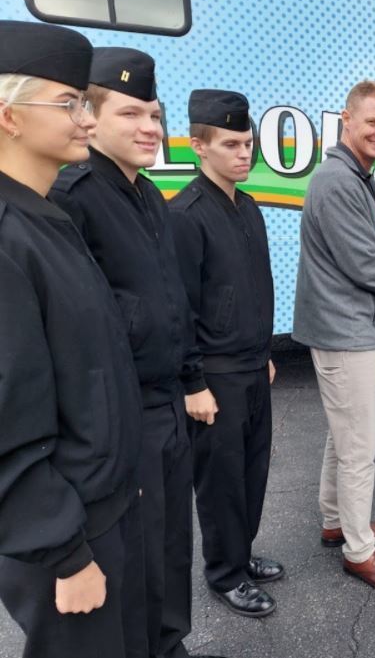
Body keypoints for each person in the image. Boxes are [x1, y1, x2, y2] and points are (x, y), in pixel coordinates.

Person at [48, 49, 207, 657]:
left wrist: (191, 377)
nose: (150, 127)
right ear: (90, 115)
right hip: (124, 412)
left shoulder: (146, 192)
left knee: (171, 544)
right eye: (132, 113)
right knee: (134, 555)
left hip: (167, 404)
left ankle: (170, 646)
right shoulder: (76, 195)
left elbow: (171, 296)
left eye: (156, 114)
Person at [0, 21, 144, 658]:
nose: (87, 118)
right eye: (69, 103)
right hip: (66, 534)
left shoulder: (46, 215)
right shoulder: (8, 236)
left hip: (100, 509)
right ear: (9, 116)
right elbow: (8, 421)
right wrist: (64, 553)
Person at [292, 80, 375, 591]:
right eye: (372, 122)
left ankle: (337, 521)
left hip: (347, 328)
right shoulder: (340, 180)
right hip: (345, 332)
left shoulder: (353, 176)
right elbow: (364, 268)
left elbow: (361, 248)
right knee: (358, 447)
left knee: (343, 435)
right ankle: (359, 550)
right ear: (347, 120)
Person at [168, 89, 281, 617]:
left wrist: (265, 352)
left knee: (252, 472)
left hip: (254, 366)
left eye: (249, 143)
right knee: (219, 482)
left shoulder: (249, 206)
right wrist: (193, 383)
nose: (245, 153)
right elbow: (181, 307)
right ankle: (224, 573)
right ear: (199, 146)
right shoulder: (187, 215)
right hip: (215, 374)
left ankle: (243, 552)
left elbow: (256, 286)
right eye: (232, 144)